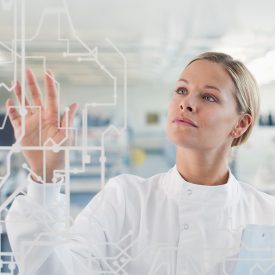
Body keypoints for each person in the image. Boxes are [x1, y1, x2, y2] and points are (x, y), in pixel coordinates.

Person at [5, 52, 275, 275]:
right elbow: (57, 270)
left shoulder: (266, 215)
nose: (187, 103)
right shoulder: (126, 199)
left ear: (240, 124)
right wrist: (45, 175)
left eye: (208, 97)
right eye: (181, 90)